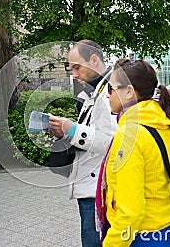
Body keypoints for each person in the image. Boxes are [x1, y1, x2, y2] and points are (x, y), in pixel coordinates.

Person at [96, 59, 170, 246]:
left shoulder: (130, 134)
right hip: (168, 229)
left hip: (141, 235)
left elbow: (131, 211)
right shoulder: (164, 122)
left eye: (111, 88)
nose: (107, 95)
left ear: (129, 91)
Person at [48, 40, 117, 246]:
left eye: (77, 67)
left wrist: (74, 129)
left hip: (98, 191)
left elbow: (114, 145)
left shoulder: (110, 94)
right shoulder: (94, 92)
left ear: (94, 60)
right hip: (90, 187)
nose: (74, 74)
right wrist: (64, 132)